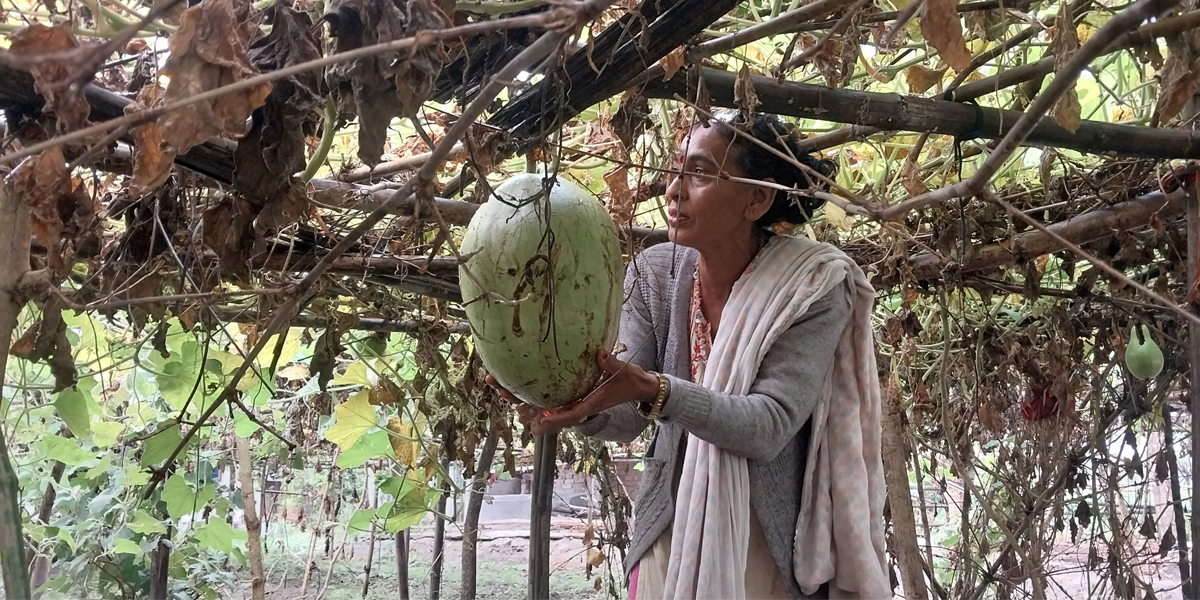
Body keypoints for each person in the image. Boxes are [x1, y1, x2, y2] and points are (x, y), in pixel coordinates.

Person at [488, 111, 888, 599]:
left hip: (768, 548)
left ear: (757, 198)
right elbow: (625, 412)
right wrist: (565, 398)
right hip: (670, 534)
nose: (673, 190)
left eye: (699, 173)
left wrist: (656, 390)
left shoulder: (811, 286)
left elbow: (768, 426)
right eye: (675, 170)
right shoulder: (656, 272)